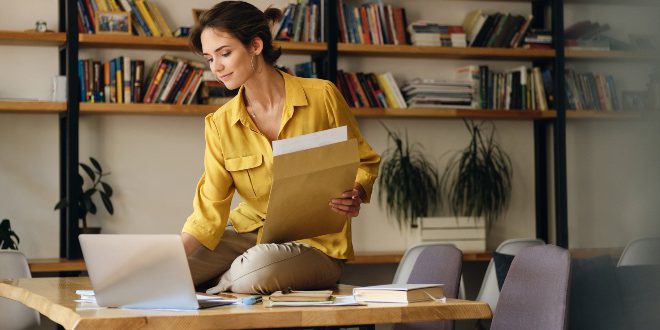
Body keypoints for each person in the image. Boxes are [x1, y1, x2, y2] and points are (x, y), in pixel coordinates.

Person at [182, 1, 380, 295]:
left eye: (224, 54)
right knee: (173, 269)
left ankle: (215, 287)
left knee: (255, 269)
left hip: (316, 245)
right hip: (248, 235)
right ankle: (222, 280)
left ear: (256, 46)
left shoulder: (322, 97)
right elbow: (208, 210)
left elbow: (365, 161)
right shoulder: (220, 124)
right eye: (210, 58)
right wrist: (166, 259)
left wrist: (357, 191)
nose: (216, 67)